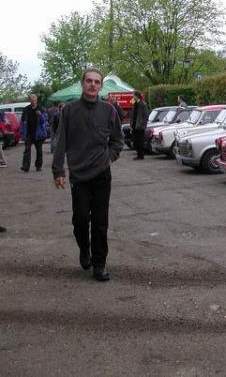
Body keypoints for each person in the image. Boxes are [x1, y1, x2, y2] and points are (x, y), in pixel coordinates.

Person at [52, 68, 124, 282]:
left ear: (101, 86)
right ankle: (84, 249)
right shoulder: (69, 110)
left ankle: (99, 264)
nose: (93, 85)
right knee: (81, 220)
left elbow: (118, 140)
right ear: (82, 83)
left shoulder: (109, 110)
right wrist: (58, 170)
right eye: (89, 81)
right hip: (79, 175)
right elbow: (61, 141)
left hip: (102, 174)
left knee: (100, 222)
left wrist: (109, 157)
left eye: (97, 82)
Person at [20, 94, 48, 172]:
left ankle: (38, 166)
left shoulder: (41, 109)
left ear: (37, 100)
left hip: (38, 134)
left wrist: (40, 115)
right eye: (32, 100)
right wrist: (22, 132)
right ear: (30, 101)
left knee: (39, 151)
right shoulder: (26, 109)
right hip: (28, 133)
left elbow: (44, 121)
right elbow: (22, 121)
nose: (33, 102)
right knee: (27, 150)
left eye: (35, 100)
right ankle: (25, 167)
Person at [130, 90, 149, 160]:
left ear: (137, 96)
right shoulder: (135, 103)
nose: (132, 97)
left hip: (140, 126)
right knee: (135, 141)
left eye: (133, 95)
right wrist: (131, 124)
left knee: (140, 141)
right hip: (134, 125)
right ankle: (139, 154)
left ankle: (140, 155)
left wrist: (143, 124)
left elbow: (146, 115)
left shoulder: (143, 104)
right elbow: (132, 114)